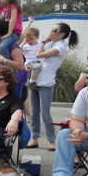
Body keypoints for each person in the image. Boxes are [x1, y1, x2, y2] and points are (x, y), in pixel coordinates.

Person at [29, 22, 79, 150]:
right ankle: (34, 138)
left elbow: (38, 54)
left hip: (46, 83)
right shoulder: (51, 44)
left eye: (54, 30)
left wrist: (42, 42)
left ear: (61, 34)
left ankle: (52, 140)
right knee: (34, 112)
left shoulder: (60, 47)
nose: (51, 32)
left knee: (45, 114)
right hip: (35, 81)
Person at [41, 73, 88, 176]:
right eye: (87, 77)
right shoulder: (85, 93)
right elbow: (76, 120)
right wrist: (77, 132)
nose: (86, 81)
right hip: (87, 137)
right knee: (64, 134)